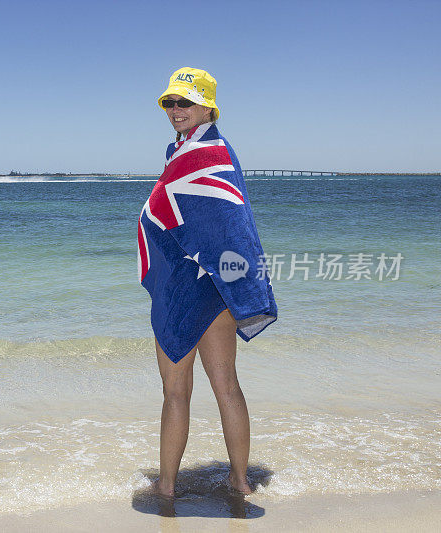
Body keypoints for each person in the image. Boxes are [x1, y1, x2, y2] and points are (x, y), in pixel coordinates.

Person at [136, 67, 278, 496]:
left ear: (207, 106)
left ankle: (168, 487)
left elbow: (225, 223)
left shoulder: (205, 153)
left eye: (184, 102)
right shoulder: (194, 151)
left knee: (183, 392)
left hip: (194, 286)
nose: (175, 110)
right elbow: (216, 221)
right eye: (169, 102)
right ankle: (238, 482)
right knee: (219, 386)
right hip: (209, 282)